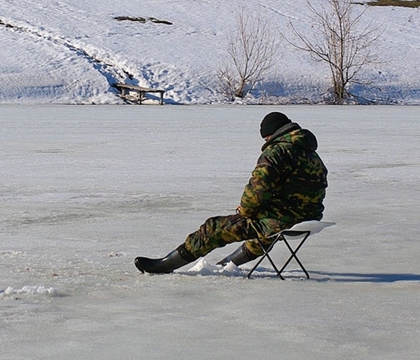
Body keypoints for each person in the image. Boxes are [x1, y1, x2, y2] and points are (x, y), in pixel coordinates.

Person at [135, 111, 328, 274]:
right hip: (307, 220)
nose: (266, 141)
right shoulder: (312, 155)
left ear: (272, 134)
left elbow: (257, 190)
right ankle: (226, 266)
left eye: (266, 138)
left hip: (281, 222)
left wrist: (245, 211)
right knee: (260, 231)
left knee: (213, 228)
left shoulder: (277, 152)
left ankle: (165, 266)